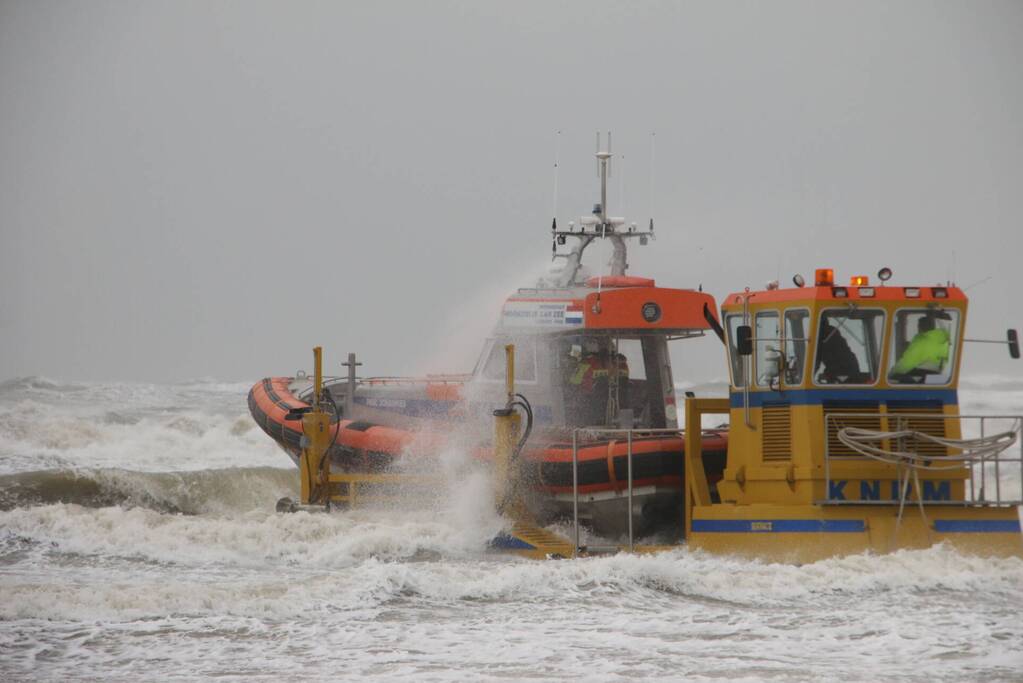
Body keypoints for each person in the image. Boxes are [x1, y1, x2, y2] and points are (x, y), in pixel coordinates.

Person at [816, 318, 860, 382]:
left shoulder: (823, 335)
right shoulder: (832, 332)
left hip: (843, 373)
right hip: (850, 370)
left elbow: (816, 362)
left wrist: (827, 374)